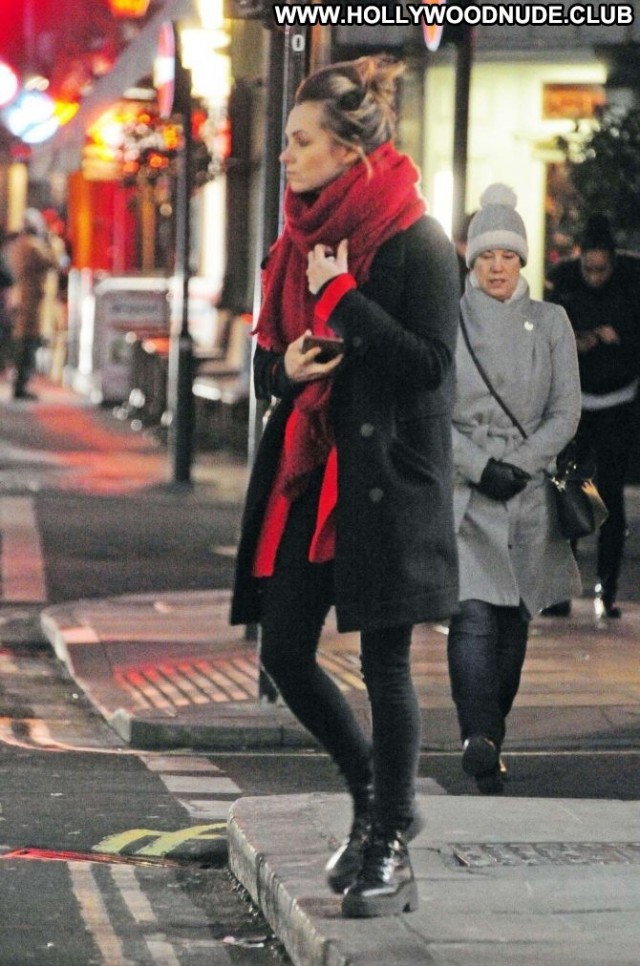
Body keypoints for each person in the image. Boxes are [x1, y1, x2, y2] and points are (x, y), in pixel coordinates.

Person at [230, 55, 460, 917]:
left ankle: (388, 843)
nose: (286, 155)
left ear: (347, 150)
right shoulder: (294, 241)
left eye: (301, 141)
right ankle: (374, 794)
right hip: (309, 473)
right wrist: (282, 371)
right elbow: (268, 362)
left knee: (385, 663)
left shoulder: (418, 239)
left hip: (386, 480)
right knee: (285, 650)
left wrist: (346, 297)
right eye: (288, 141)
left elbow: (432, 366)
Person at [448, 184, 581, 795]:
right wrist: (481, 467)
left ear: (522, 260)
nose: (497, 267)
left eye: (507, 255)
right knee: (472, 614)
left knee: (513, 621)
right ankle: (476, 733)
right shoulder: (448, 320)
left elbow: (566, 410)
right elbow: (434, 413)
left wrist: (520, 465)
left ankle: (490, 738)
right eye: (486, 255)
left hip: (528, 493)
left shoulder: (551, 321)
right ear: (471, 259)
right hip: (468, 494)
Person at [545, 215, 640, 618]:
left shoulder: (631, 286)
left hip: (618, 400)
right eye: (590, 269)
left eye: (602, 270)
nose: (595, 277)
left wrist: (619, 338)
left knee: (610, 496)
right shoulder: (565, 284)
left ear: (613, 265)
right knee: (571, 490)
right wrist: (578, 341)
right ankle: (561, 590)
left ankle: (608, 589)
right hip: (577, 402)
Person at [5, 210, 57, 400]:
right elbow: (52, 261)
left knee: (22, 343)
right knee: (28, 344)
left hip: (21, 298)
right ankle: (21, 385)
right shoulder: (34, 246)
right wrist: (50, 241)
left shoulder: (17, 245)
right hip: (32, 301)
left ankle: (19, 384)